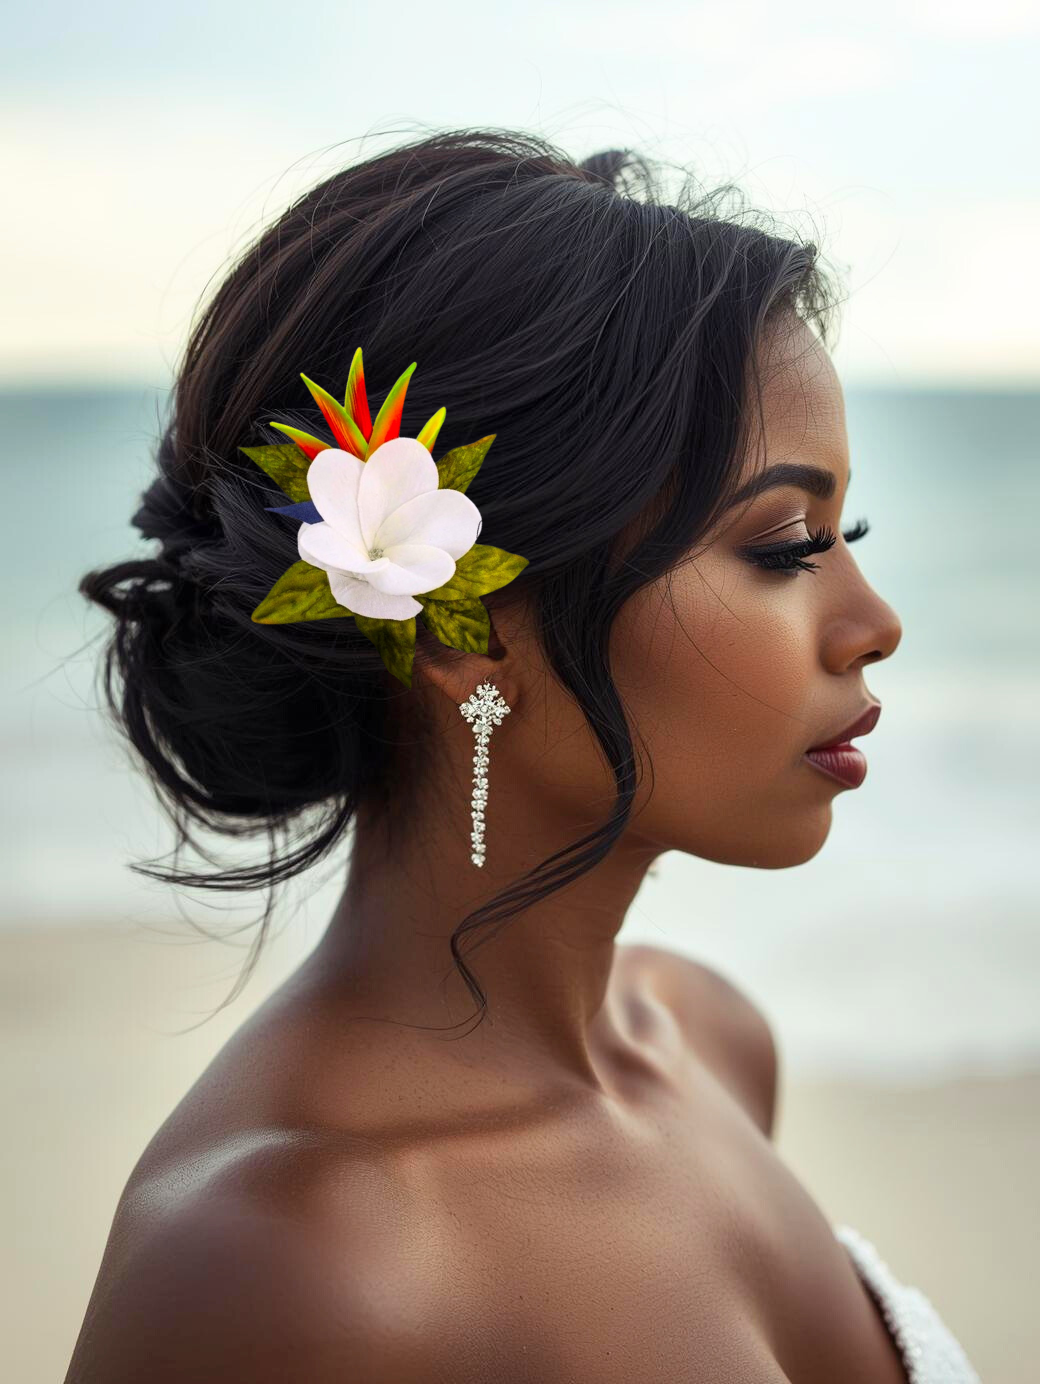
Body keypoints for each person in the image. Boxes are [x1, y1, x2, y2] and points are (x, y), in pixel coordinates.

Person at [66, 128, 975, 1383]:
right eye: (781, 545)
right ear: (469, 627)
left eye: (845, 530)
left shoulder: (708, 1042)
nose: (872, 623)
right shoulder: (291, 1260)